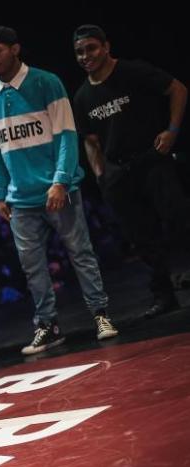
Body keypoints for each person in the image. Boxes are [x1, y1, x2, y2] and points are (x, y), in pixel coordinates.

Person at [0, 26, 118, 355]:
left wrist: (60, 181)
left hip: (57, 190)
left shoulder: (46, 82)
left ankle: (100, 314)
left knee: (80, 253)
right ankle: (47, 325)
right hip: (19, 198)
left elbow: (67, 136)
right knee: (32, 266)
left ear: (15, 49)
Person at [72, 24, 189, 318]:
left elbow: (178, 89)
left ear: (106, 47)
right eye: (79, 52)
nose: (86, 56)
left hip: (152, 160)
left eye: (91, 48)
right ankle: (164, 295)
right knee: (142, 237)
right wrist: (101, 176)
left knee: (179, 219)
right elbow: (90, 140)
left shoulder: (132, 71)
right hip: (119, 173)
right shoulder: (82, 96)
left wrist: (172, 131)